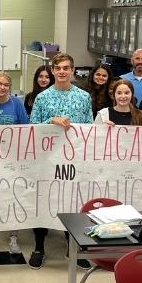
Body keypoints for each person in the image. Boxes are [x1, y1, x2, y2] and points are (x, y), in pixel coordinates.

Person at [29, 53, 93, 269]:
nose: (62, 71)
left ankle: (72, 245)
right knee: (43, 200)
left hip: (73, 160)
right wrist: (50, 121)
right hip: (46, 160)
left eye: (66, 68)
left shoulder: (84, 97)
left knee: (72, 201)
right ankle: (39, 247)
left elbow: (90, 129)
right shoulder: (42, 98)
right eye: (58, 68)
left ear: (72, 70)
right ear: (53, 71)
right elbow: (32, 128)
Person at [0, 71, 29, 255]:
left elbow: (26, 129)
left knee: (13, 195)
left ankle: (14, 236)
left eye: (5, 85)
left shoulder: (16, 103)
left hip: (12, 159)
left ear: (10, 87)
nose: (1, 87)